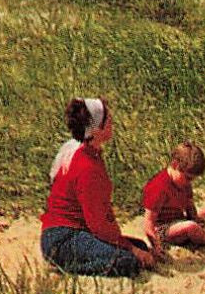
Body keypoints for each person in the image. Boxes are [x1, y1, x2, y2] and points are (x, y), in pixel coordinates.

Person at [39, 98, 157, 277]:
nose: (112, 122)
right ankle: (66, 269)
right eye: (107, 120)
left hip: (71, 232)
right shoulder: (87, 167)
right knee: (128, 261)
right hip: (63, 238)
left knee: (139, 246)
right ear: (96, 130)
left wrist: (132, 247)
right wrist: (130, 249)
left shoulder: (84, 151)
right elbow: (99, 225)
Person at [142, 141, 205, 251]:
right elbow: (148, 223)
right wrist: (157, 247)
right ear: (175, 165)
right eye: (188, 178)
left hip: (179, 220)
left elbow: (190, 208)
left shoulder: (184, 184)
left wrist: (198, 221)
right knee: (190, 227)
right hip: (163, 229)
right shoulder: (158, 186)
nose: (189, 182)